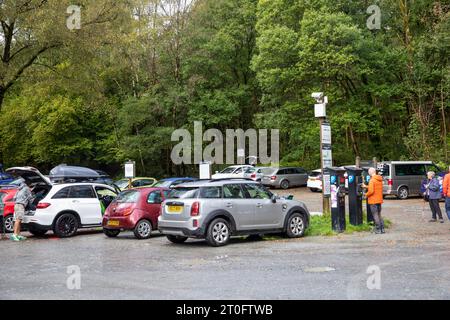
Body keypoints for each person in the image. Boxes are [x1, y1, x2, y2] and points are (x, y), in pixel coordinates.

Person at [362, 167, 385, 234]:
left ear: (370, 173)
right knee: (379, 214)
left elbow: (371, 191)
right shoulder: (379, 179)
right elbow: (375, 187)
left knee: (375, 215)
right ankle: (382, 228)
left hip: (373, 200)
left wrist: (365, 194)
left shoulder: (372, 180)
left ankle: (378, 229)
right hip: (379, 200)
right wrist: (366, 186)